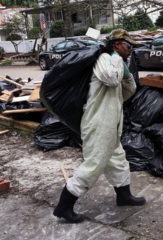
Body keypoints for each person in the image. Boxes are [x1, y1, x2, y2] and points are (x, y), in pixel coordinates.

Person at [53, 29, 146, 223]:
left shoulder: (117, 63)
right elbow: (111, 80)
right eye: (128, 47)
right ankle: (64, 206)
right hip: (97, 123)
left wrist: (127, 74)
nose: (130, 51)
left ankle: (123, 196)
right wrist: (119, 60)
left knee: (118, 160)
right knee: (94, 164)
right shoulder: (104, 59)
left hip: (111, 123)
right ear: (117, 44)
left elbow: (128, 91)